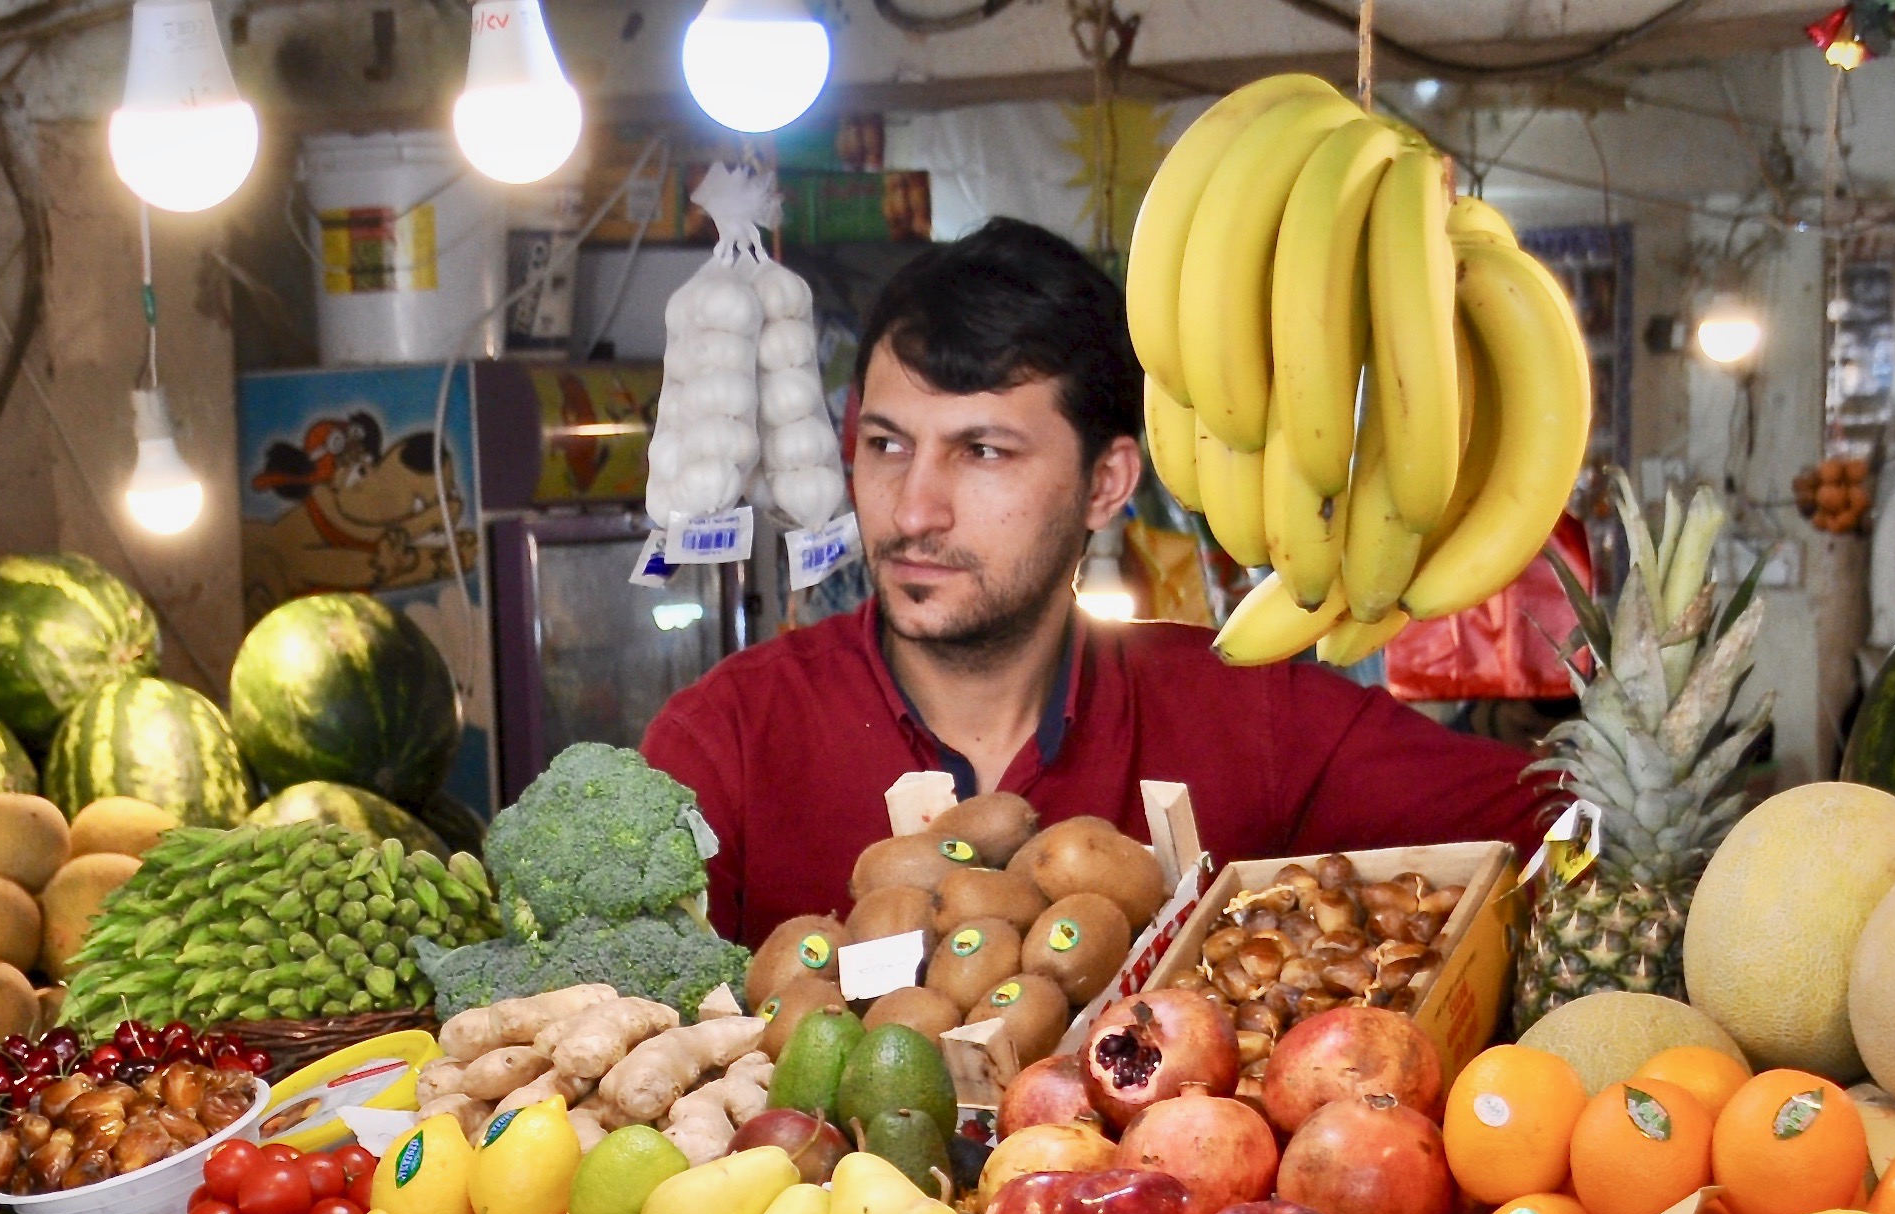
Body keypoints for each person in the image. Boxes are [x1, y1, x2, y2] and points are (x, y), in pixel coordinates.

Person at [641, 217, 1552, 945]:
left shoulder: (1245, 716)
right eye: (887, 445)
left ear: (1107, 482)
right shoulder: (727, 743)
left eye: (983, 452)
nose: (913, 509)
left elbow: (1561, 820)